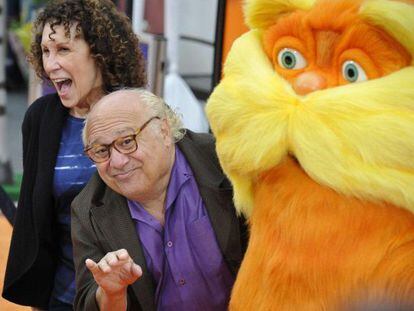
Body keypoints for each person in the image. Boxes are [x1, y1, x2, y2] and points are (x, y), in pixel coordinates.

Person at [2, 1, 146, 310]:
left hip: (129, 294)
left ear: (99, 51)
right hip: (62, 295)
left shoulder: (138, 114)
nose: (51, 64)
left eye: (63, 49)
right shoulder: (41, 117)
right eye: (45, 51)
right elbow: (35, 215)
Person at [71, 88, 248, 310]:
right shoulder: (88, 209)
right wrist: (111, 293)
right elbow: (87, 302)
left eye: (127, 141)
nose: (116, 162)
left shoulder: (224, 161)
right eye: (101, 151)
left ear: (164, 130)